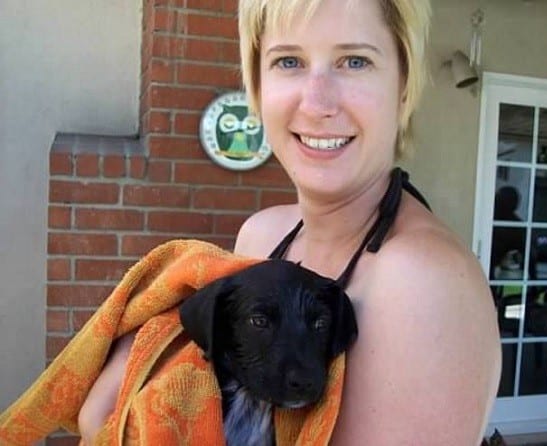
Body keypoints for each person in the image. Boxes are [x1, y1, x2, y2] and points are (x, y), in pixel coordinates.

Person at [79, 0, 502, 444]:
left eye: (354, 61)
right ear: (258, 87)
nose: (317, 102)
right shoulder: (263, 235)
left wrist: (106, 425)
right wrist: (140, 361)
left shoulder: (422, 280)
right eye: (289, 61)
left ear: (403, 84)